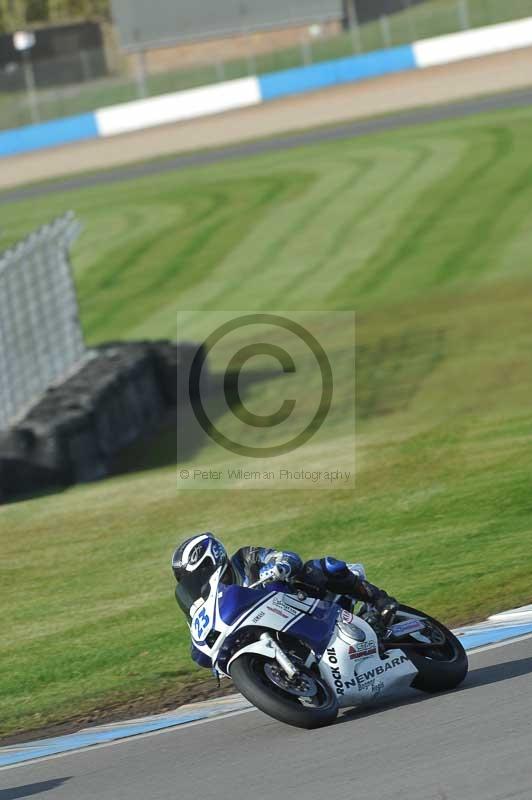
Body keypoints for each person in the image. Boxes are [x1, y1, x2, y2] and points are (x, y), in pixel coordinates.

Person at [171, 532, 398, 668]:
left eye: (198, 573)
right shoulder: (209, 607)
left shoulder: (244, 558)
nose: (196, 581)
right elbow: (198, 651)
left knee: (316, 569)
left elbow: (285, 556)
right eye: (188, 580)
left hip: (304, 602)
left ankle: (379, 601)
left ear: (212, 560)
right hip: (273, 632)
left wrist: (278, 565)